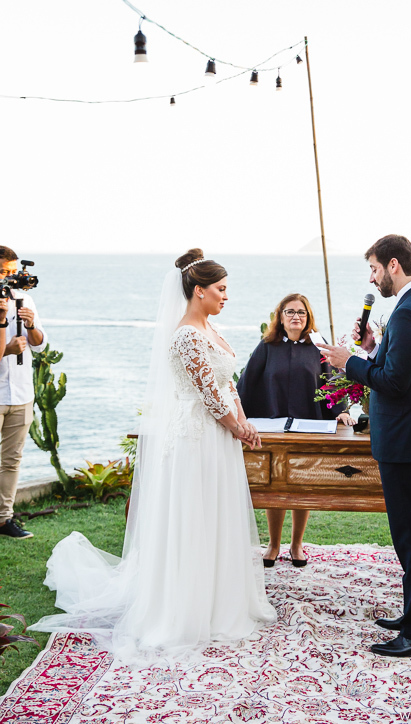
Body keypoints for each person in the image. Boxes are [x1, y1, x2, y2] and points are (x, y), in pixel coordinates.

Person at [31, 249, 276, 660]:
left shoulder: (212, 331)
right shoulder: (185, 336)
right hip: (196, 438)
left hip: (220, 436)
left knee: (217, 515)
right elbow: (206, 392)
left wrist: (244, 420)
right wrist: (236, 426)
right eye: (221, 289)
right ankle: (186, 609)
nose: (225, 296)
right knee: (194, 518)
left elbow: (227, 384)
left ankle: (222, 599)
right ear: (199, 291)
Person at [319, 235, 411, 659]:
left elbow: (393, 383)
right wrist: (372, 348)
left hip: (406, 439)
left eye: (374, 269)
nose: (372, 278)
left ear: (393, 265)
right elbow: (399, 370)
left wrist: (348, 361)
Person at [237, 293, 352, 568]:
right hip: (273, 427)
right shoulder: (266, 347)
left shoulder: (319, 348)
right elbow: (246, 383)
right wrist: (238, 417)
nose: (296, 317)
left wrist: (342, 411)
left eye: (301, 312)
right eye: (290, 312)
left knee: (302, 484)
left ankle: (297, 544)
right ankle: (274, 545)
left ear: (308, 317)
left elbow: (333, 380)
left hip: (308, 426)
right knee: (276, 487)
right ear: (281, 316)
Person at [0, 246, 47, 540]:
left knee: (12, 459)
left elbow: (40, 344)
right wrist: (7, 348)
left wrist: (30, 324)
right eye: (5, 272)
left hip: (21, 394)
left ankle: (4, 519)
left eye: (14, 271)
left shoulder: (24, 299)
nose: (12, 277)